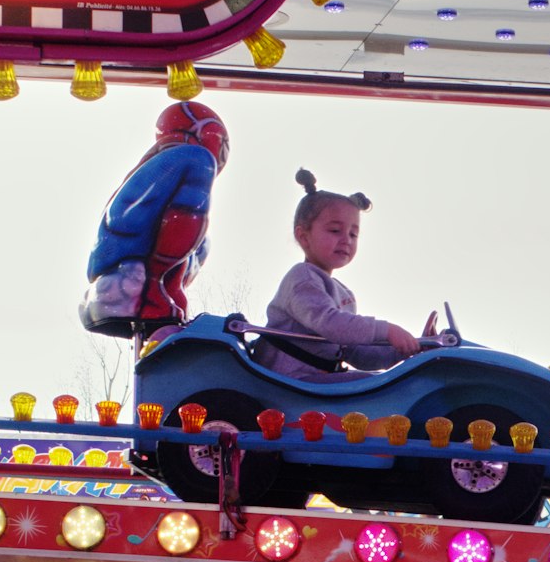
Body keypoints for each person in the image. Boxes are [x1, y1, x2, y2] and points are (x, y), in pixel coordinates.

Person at [251, 169, 428, 378]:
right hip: (287, 381)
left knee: (381, 383)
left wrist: (408, 349)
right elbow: (331, 324)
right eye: (335, 230)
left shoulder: (343, 294)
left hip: (316, 381)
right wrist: (387, 330)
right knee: (372, 385)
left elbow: (356, 353)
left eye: (353, 234)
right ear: (304, 236)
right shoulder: (302, 278)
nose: (346, 240)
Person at [80, 101, 230, 333]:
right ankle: (152, 285)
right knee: (198, 169)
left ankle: (159, 288)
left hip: (122, 280)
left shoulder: (154, 168)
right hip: (131, 278)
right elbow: (181, 215)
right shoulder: (192, 159)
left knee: (203, 241)